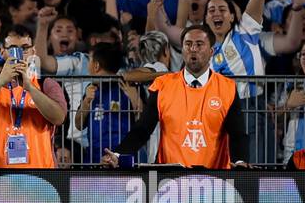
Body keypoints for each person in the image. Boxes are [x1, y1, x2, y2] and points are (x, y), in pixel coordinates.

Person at [103, 25, 250, 168]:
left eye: (199, 44)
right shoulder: (163, 85)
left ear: (211, 51)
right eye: (188, 44)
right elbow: (143, 129)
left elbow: (237, 134)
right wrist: (118, 154)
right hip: (169, 179)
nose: (193, 49)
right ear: (182, 51)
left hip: (214, 179)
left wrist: (239, 162)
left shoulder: (227, 87)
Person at [0, 25, 68, 169]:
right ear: (3, 52)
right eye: (13, 49)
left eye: (25, 48)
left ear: (33, 51)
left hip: (41, 174)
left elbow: (59, 118)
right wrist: (0, 81)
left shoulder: (47, 84)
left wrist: (30, 88)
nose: (19, 55)